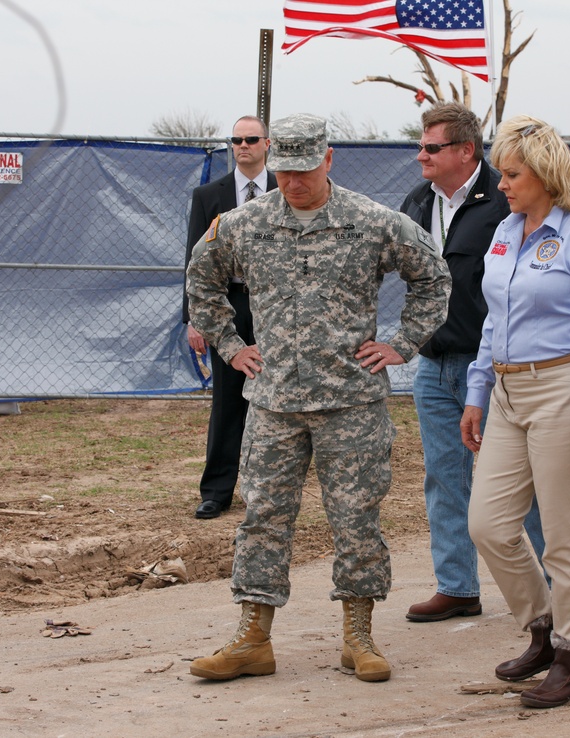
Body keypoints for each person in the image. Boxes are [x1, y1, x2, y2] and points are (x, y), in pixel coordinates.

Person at [185, 113, 450, 683]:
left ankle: (359, 635)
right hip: (274, 403)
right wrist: (231, 345)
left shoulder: (372, 221)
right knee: (262, 517)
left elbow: (433, 277)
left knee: (357, 519)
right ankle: (253, 636)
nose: (293, 181)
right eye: (284, 171)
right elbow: (201, 278)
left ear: (328, 160)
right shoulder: (243, 223)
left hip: (350, 403)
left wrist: (401, 343)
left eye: (305, 170)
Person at [460, 115, 570, 708]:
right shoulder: (505, 233)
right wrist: (478, 391)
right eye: (501, 173)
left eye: (512, 174)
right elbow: (494, 319)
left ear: (547, 175)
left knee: (563, 538)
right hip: (507, 393)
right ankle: (541, 627)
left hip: (564, 388)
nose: (501, 183)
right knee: (488, 524)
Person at [400, 102, 546, 623]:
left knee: (520, 479)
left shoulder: (506, 200)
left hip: (496, 366)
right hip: (435, 366)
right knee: (444, 476)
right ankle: (457, 586)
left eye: (431, 147)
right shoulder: (416, 203)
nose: (421, 157)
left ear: (466, 150)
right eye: (420, 146)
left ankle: (543, 589)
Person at [182, 116, 278, 519]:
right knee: (226, 401)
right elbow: (194, 259)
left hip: (278, 306)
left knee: (278, 400)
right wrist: (196, 318)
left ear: (267, 144)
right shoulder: (209, 195)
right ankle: (217, 491)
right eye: (236, 140)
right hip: (228, 305)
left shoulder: (286, 187)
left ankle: (270, 492)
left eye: (251, 139)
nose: (243, 146)